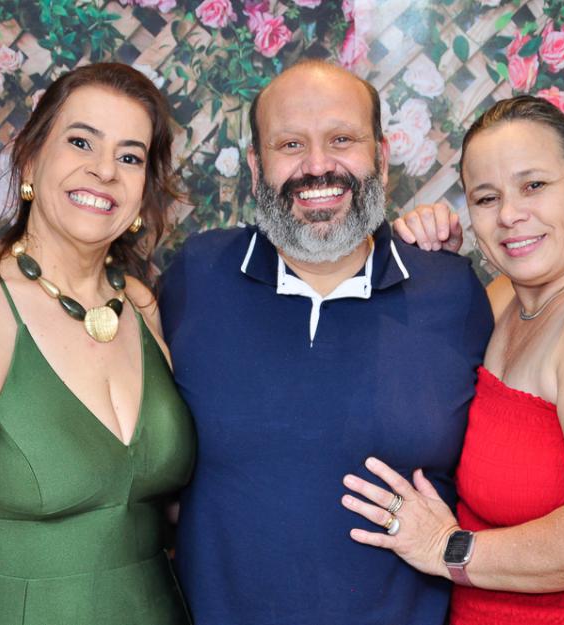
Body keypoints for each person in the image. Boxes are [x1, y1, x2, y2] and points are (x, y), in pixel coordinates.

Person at [159, 59, 492, 625]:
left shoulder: (451, 290)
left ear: (381, 157)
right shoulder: (195, 276)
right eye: (290, 144)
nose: (317, 166)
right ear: (256, 166)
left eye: (342, 139)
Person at [342, 95, 564, 624]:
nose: (510, 215)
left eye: (534, 185)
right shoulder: (503, 298)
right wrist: (430, 263)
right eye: (487, 198)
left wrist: (447, 548)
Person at [0, 63, 195, 625]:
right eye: (81, 142)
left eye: (130, 157)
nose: (104, 170)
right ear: (30, 158)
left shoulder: (143, 307)